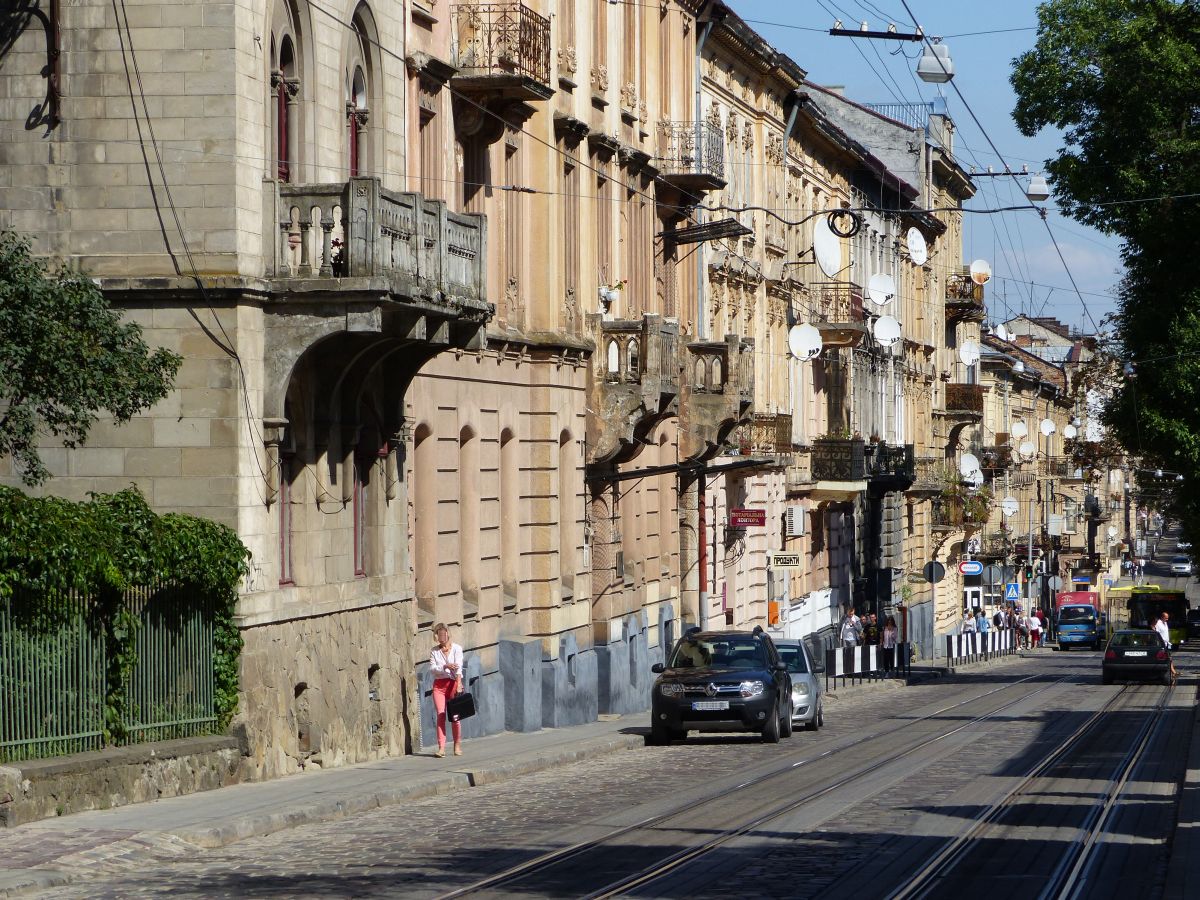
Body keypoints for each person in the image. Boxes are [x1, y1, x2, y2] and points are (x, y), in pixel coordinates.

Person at [429, 623, 465, 758]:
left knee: (455, 716)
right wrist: (444, 666)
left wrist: (459, 683)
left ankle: (457, 744)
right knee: (441, 714)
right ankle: (442, 748)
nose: (442, 636)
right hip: (439, 686)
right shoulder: (434, 651)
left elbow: (459, 667)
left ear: (448, 634)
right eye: (439, 634)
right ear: (436, 636)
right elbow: (432, 669)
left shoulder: (457, 649)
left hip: (453, 684)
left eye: (444, 633)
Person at [1154, 612, 1179, 682]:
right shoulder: (1158, 624)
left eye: (1168, 618)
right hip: (1161, 644)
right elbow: (1156, 634)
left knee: (1169, 658)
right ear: (1162, 617)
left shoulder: (1165, 623)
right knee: (1167, 658)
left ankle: (1173, 672)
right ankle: (1173, 672)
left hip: (1166, 644)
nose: (1167, 619)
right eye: (1166, 618)